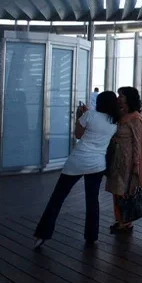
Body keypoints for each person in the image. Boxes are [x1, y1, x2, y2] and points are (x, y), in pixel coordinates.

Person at [33, 91, 120, 248]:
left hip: (77, 161)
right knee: (92, 200)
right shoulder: (115, 122)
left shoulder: (89, 115)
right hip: (97, 164)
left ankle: (42, 234)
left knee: (57, 198)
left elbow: (78, 135)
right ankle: (91, 236)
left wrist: (79, 116)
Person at [105, 87, 142, 234]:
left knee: (124, 190)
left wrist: (136, 165)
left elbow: (137, 143)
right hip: (117, 157)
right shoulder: (121, 115)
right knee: (117, 189)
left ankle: (125, 220)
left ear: (129, 98)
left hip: (127, 160)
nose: (119, 98)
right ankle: (120, 219)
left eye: (121, 95)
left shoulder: (135, 118)